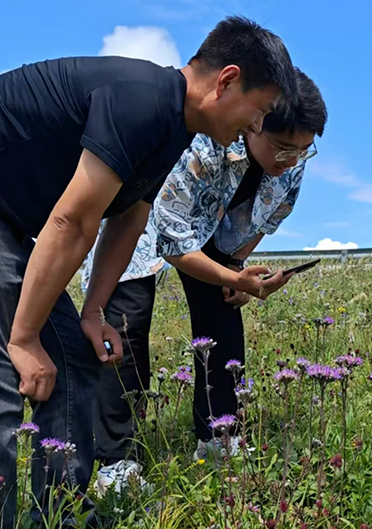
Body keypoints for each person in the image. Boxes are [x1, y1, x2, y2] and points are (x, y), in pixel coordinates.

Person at [0, 16, 296, 529]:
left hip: (9, 220)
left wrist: (93, 312)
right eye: (259, 111)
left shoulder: (174, 125)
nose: (255, 127)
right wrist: (24, 337)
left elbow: (129, 217)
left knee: (75, 358)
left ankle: (62, 526)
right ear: (226, 81)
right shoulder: (143, 99)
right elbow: (72, 222)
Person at [81, 69, 327, 494]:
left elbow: (261, 222)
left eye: (304, 151)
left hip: (211, 233)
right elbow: (173, 240)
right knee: (126, 321)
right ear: (255, 121)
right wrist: (231, 274)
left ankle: (219, 434)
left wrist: (237, 271)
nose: (292, 160)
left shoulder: (292, 162)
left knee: (223, 312)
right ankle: (116, 458)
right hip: (143, 222)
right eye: (284, 148)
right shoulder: (204, 143)